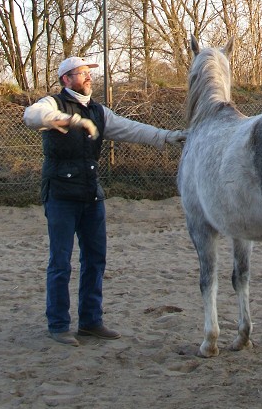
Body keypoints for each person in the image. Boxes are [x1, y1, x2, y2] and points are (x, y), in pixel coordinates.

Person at [23, 56, 187, 347]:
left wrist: (167, 136)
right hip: (61, 195)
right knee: (60, 263)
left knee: (95, 259)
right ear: (66, 79)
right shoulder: (52, 103)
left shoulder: (99, 111)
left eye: (89, 73)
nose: (88, 77)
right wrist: (63, 119)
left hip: (91, 195)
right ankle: (59, 325)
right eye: (82, 73)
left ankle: (90, 322)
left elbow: (131, 129)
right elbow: (31, 116)